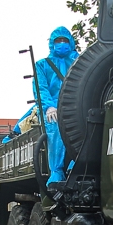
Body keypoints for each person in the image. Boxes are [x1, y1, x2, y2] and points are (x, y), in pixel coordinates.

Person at [34, 26, 79, 189]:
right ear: (52, 44)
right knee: (54, 125)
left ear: (71, 42)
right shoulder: (42, 65)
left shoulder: (79, 60)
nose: (61, 43)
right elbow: (41, 88)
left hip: (75, 104)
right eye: (58, 41)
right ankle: (57, 171)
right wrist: (48, 107)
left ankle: (77, 163)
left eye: (64, 40)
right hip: (52, 107)